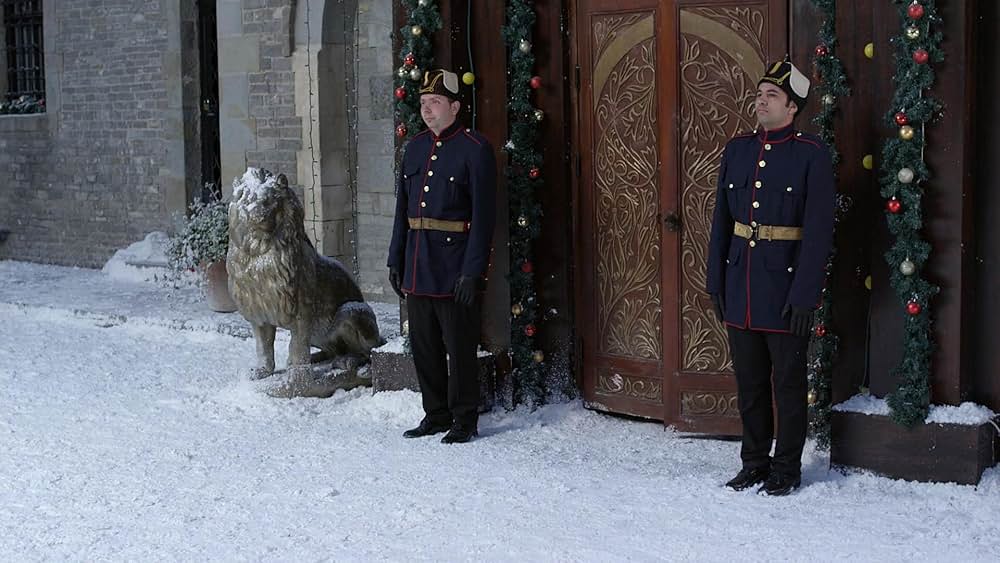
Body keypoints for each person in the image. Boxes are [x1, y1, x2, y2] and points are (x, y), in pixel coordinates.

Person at [705, 58, 835, 496]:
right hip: (740, 286)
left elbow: (818, 233)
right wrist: (715, 281)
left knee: (788, 384)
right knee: (751, 384)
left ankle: (786, 469)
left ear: (793, 108)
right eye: (759, 94)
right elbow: (722, 221)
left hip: (784, 289)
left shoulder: (811, 154)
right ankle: (754, 462)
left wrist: (805, 296)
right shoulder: (737, 148)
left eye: (772, 96)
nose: (761, 101)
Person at [387, 68, 497, 444]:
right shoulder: (414, 147)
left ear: (455, 106)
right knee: (424, 346)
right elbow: (403, 210)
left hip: (454, 267)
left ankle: (464, 418)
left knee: (459, 347)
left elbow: (484, 219)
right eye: (422, 103)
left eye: (434, 103)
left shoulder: (476, 149)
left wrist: (472, 271)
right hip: (418, 264)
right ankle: (435, 414)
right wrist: (394, 258)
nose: (427, 110)